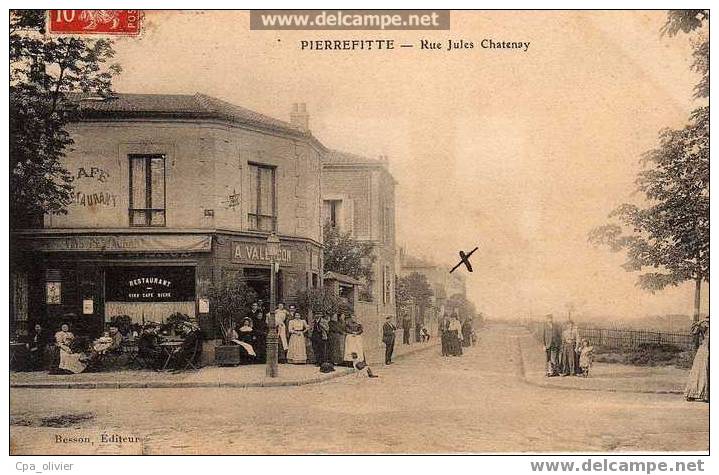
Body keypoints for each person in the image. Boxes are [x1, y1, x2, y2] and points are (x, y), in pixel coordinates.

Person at [685, 317, 709, 402]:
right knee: (700, 370)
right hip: (704, 350)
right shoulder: (704, 324)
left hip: (705, 349)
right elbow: (693, 331)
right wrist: (700, 322)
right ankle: (694, 393)